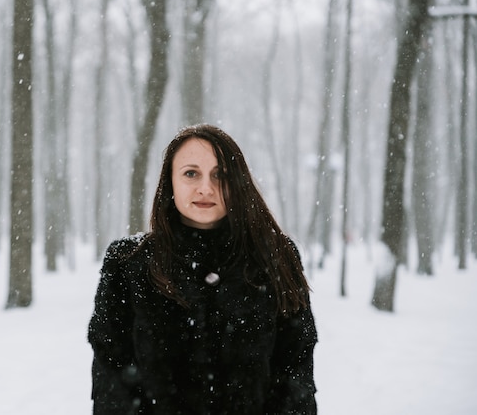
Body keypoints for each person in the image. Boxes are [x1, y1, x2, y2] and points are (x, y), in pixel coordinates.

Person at [88, 124, 317, 414]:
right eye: (191, 173)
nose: (206, 188)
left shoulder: (275, 258)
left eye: (220, 174)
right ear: (169, 181)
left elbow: (295, 377)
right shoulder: (128, 263)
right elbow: (112, 381)